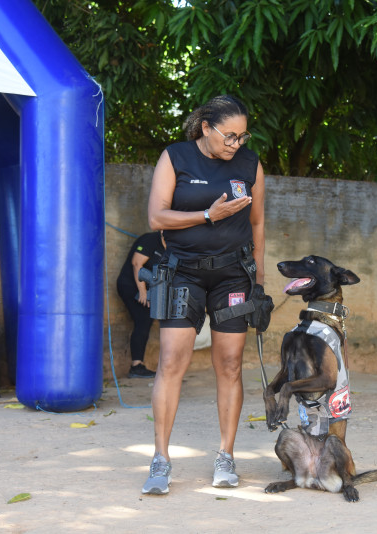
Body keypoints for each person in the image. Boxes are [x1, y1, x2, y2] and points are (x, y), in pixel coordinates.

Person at [142, 94, 266, 495]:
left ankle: (226, 456)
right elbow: (157, 216)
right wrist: (208, 215)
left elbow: (258, 224)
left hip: (233, 276)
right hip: (183, 274)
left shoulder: (250, 165)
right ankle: (160, 459)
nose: (235, 144)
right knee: (171, 361)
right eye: (229, 136)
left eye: (242, 137)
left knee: (230, 365)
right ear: (206, 128)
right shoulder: (175, 157)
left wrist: (257, 280)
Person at [116, 232, 165, 378]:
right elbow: (137, 263)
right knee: (143, 320)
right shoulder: (150, 240)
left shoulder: (173, 245)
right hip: (131, 285)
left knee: (146, 321)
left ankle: (138, 365)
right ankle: (136, 366)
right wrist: (142, 292)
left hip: (148, 289)